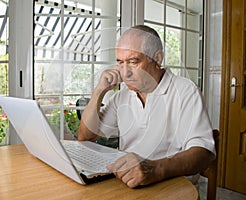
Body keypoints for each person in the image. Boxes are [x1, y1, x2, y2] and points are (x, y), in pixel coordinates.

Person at [78, 25, 215, 188]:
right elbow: (85, 138)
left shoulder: (185, 91)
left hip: (172, 185)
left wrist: (156, 170)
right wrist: (99, 91)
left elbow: (204, 153)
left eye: (133, 61)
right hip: (128, 182)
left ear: (157, 59)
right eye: (120, 63)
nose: (125, 72)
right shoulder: (121, 97)